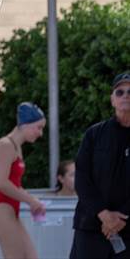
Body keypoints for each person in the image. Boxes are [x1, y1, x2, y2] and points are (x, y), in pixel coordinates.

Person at [70, 72, 130, 258]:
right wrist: (104, 214)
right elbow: (82, 178)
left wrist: (122, 217)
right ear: (112, 99)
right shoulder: (94, 134)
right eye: (119, 92)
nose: (125, 96)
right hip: (91, 227)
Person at [0, 102, 46, 259]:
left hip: (10, 209)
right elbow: (1, 183)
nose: (40, 133)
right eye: (38, 127)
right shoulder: (6, 145)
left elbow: (15, 185)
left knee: (31, 256)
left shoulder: (16, 147)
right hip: (0, 210)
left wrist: (33, 201)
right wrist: (31, 200)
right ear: (25, 125)